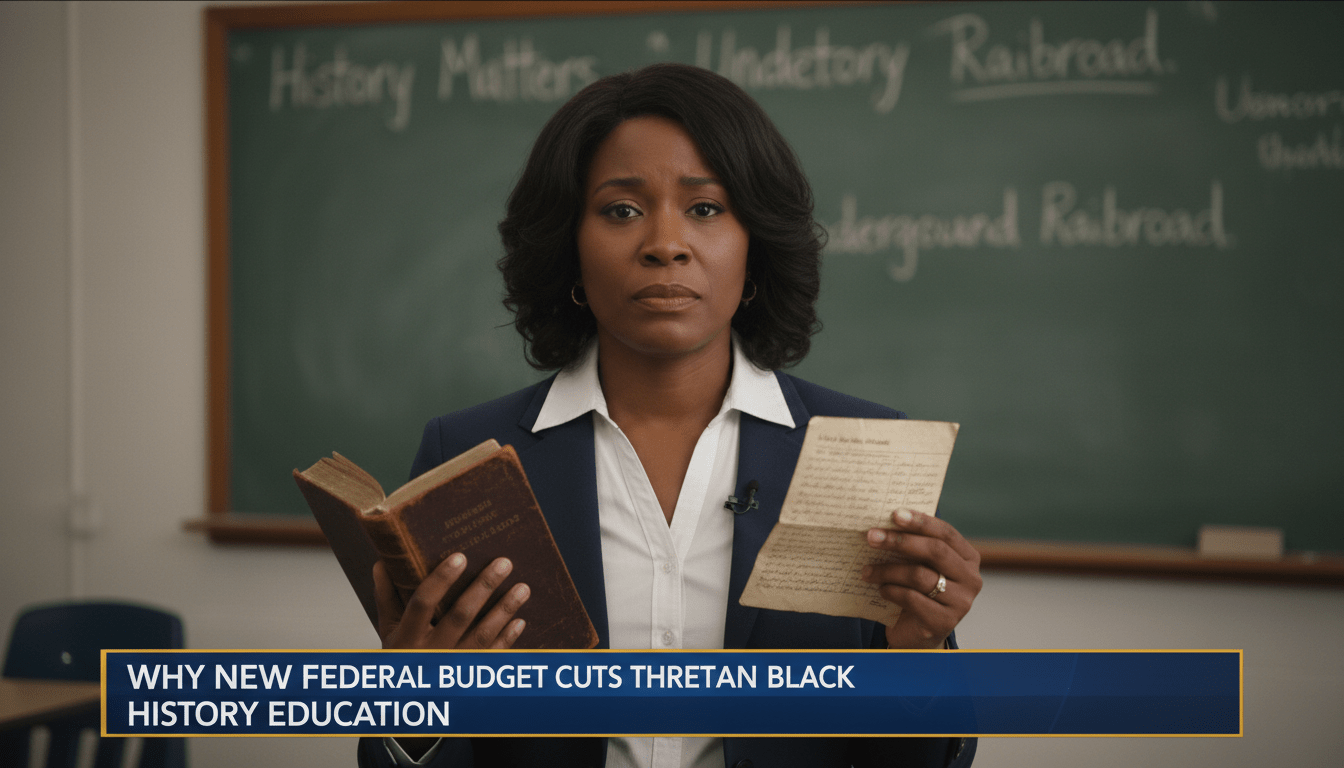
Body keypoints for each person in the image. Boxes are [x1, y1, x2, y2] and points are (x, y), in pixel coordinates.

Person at [358, 63, 981, 768]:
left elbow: (933, 761)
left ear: (756, 246)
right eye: (621, 210)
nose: (664, 243)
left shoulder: (862, 452)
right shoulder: (467, 454)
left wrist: (921, 654)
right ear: (569, 247)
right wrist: (411, 706)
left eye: (705, 208)